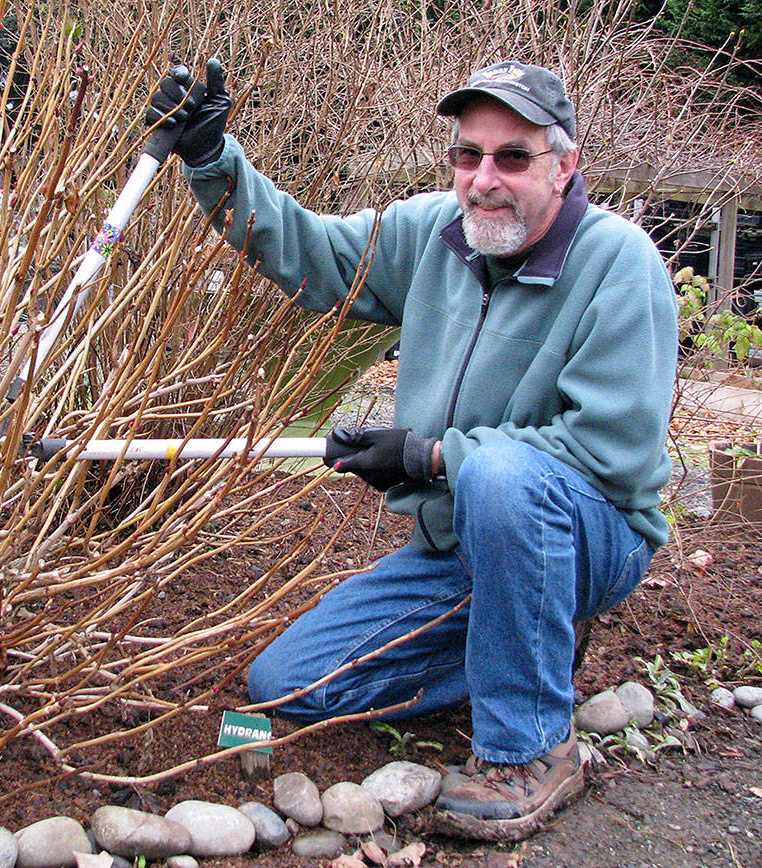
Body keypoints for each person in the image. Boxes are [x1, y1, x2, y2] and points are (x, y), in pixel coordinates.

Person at [146, 59, 678, 840]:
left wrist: (430, 457)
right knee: (285, 682)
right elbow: (315, 255)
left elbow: (609, 454)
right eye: (468, 155)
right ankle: (522, 642)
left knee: (499, 478)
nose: (484, 179)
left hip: (587, 534)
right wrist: (209, 160)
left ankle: (531, 749)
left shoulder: (618, 264)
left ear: (564, 166)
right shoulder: (435, 235)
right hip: (467, 543)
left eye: (512, 157)